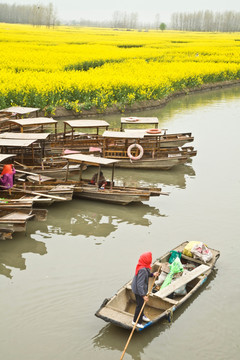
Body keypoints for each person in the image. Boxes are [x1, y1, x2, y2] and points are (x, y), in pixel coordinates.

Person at [131, 252, 159, 328]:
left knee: (141, 303)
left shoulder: (143, 266)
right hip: (139, 290)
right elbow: (140, 284)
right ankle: (136, 321)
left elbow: (146, 274)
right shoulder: (143, 269)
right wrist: (143, 295)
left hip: (138, 289)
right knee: (140, 305)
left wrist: (153, 274)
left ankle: (142, 315)